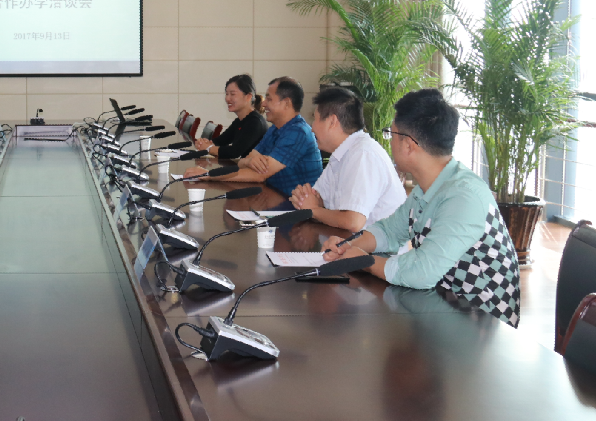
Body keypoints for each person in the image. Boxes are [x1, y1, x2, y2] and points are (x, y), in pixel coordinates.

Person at [323, 89, 521, 327]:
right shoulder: (429, 187)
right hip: (441, 307)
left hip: (478, 323)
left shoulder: (464, 196)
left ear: (408, 145)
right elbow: (389, 231)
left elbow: (421, 272)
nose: (390, 141)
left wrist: (364, 261)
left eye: (391, 134)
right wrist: (347, 246)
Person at [290, 86, 405, 233]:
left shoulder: (363, 154)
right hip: (348, 241)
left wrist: (312, 210)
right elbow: (318, 199)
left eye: (315, 119)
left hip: (378, 247)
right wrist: (306, 199)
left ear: (332, 121)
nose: (312, 128)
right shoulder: (341, 153)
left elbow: (353, 221)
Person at [185, 76, 322, 197]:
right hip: (272, 197)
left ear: (286, 103)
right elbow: (243, 161)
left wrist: (208, 174)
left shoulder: (298, 132)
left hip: (294, 207)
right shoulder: (275, 129)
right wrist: (249, 162)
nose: (263, 103)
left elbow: (258, 175)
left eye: (269, 99)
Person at [193, 74, 269, 159]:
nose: (227, 98)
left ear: (248, 97)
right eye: (227, 94)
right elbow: (220, 141)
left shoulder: (255, 122)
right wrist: (203, 143)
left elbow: (234, 152)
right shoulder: (239, 121)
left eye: (232, 94)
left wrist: (208, 148)